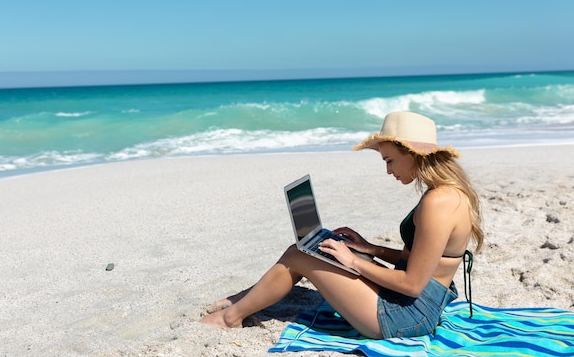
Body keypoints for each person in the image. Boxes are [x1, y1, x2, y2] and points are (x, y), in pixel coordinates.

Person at [201, 111, 483, 339]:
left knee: (300, 254)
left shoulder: (439, 202)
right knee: (308, 249)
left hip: (406, 316)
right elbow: (422, 260)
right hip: (411, 303)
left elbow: (412, 283)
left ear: (412, 153)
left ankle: (231, 318)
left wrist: (355, 262)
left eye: (390, 160)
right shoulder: (446, 193)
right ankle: (241, 301)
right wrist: (368, 249)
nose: (388, 171)